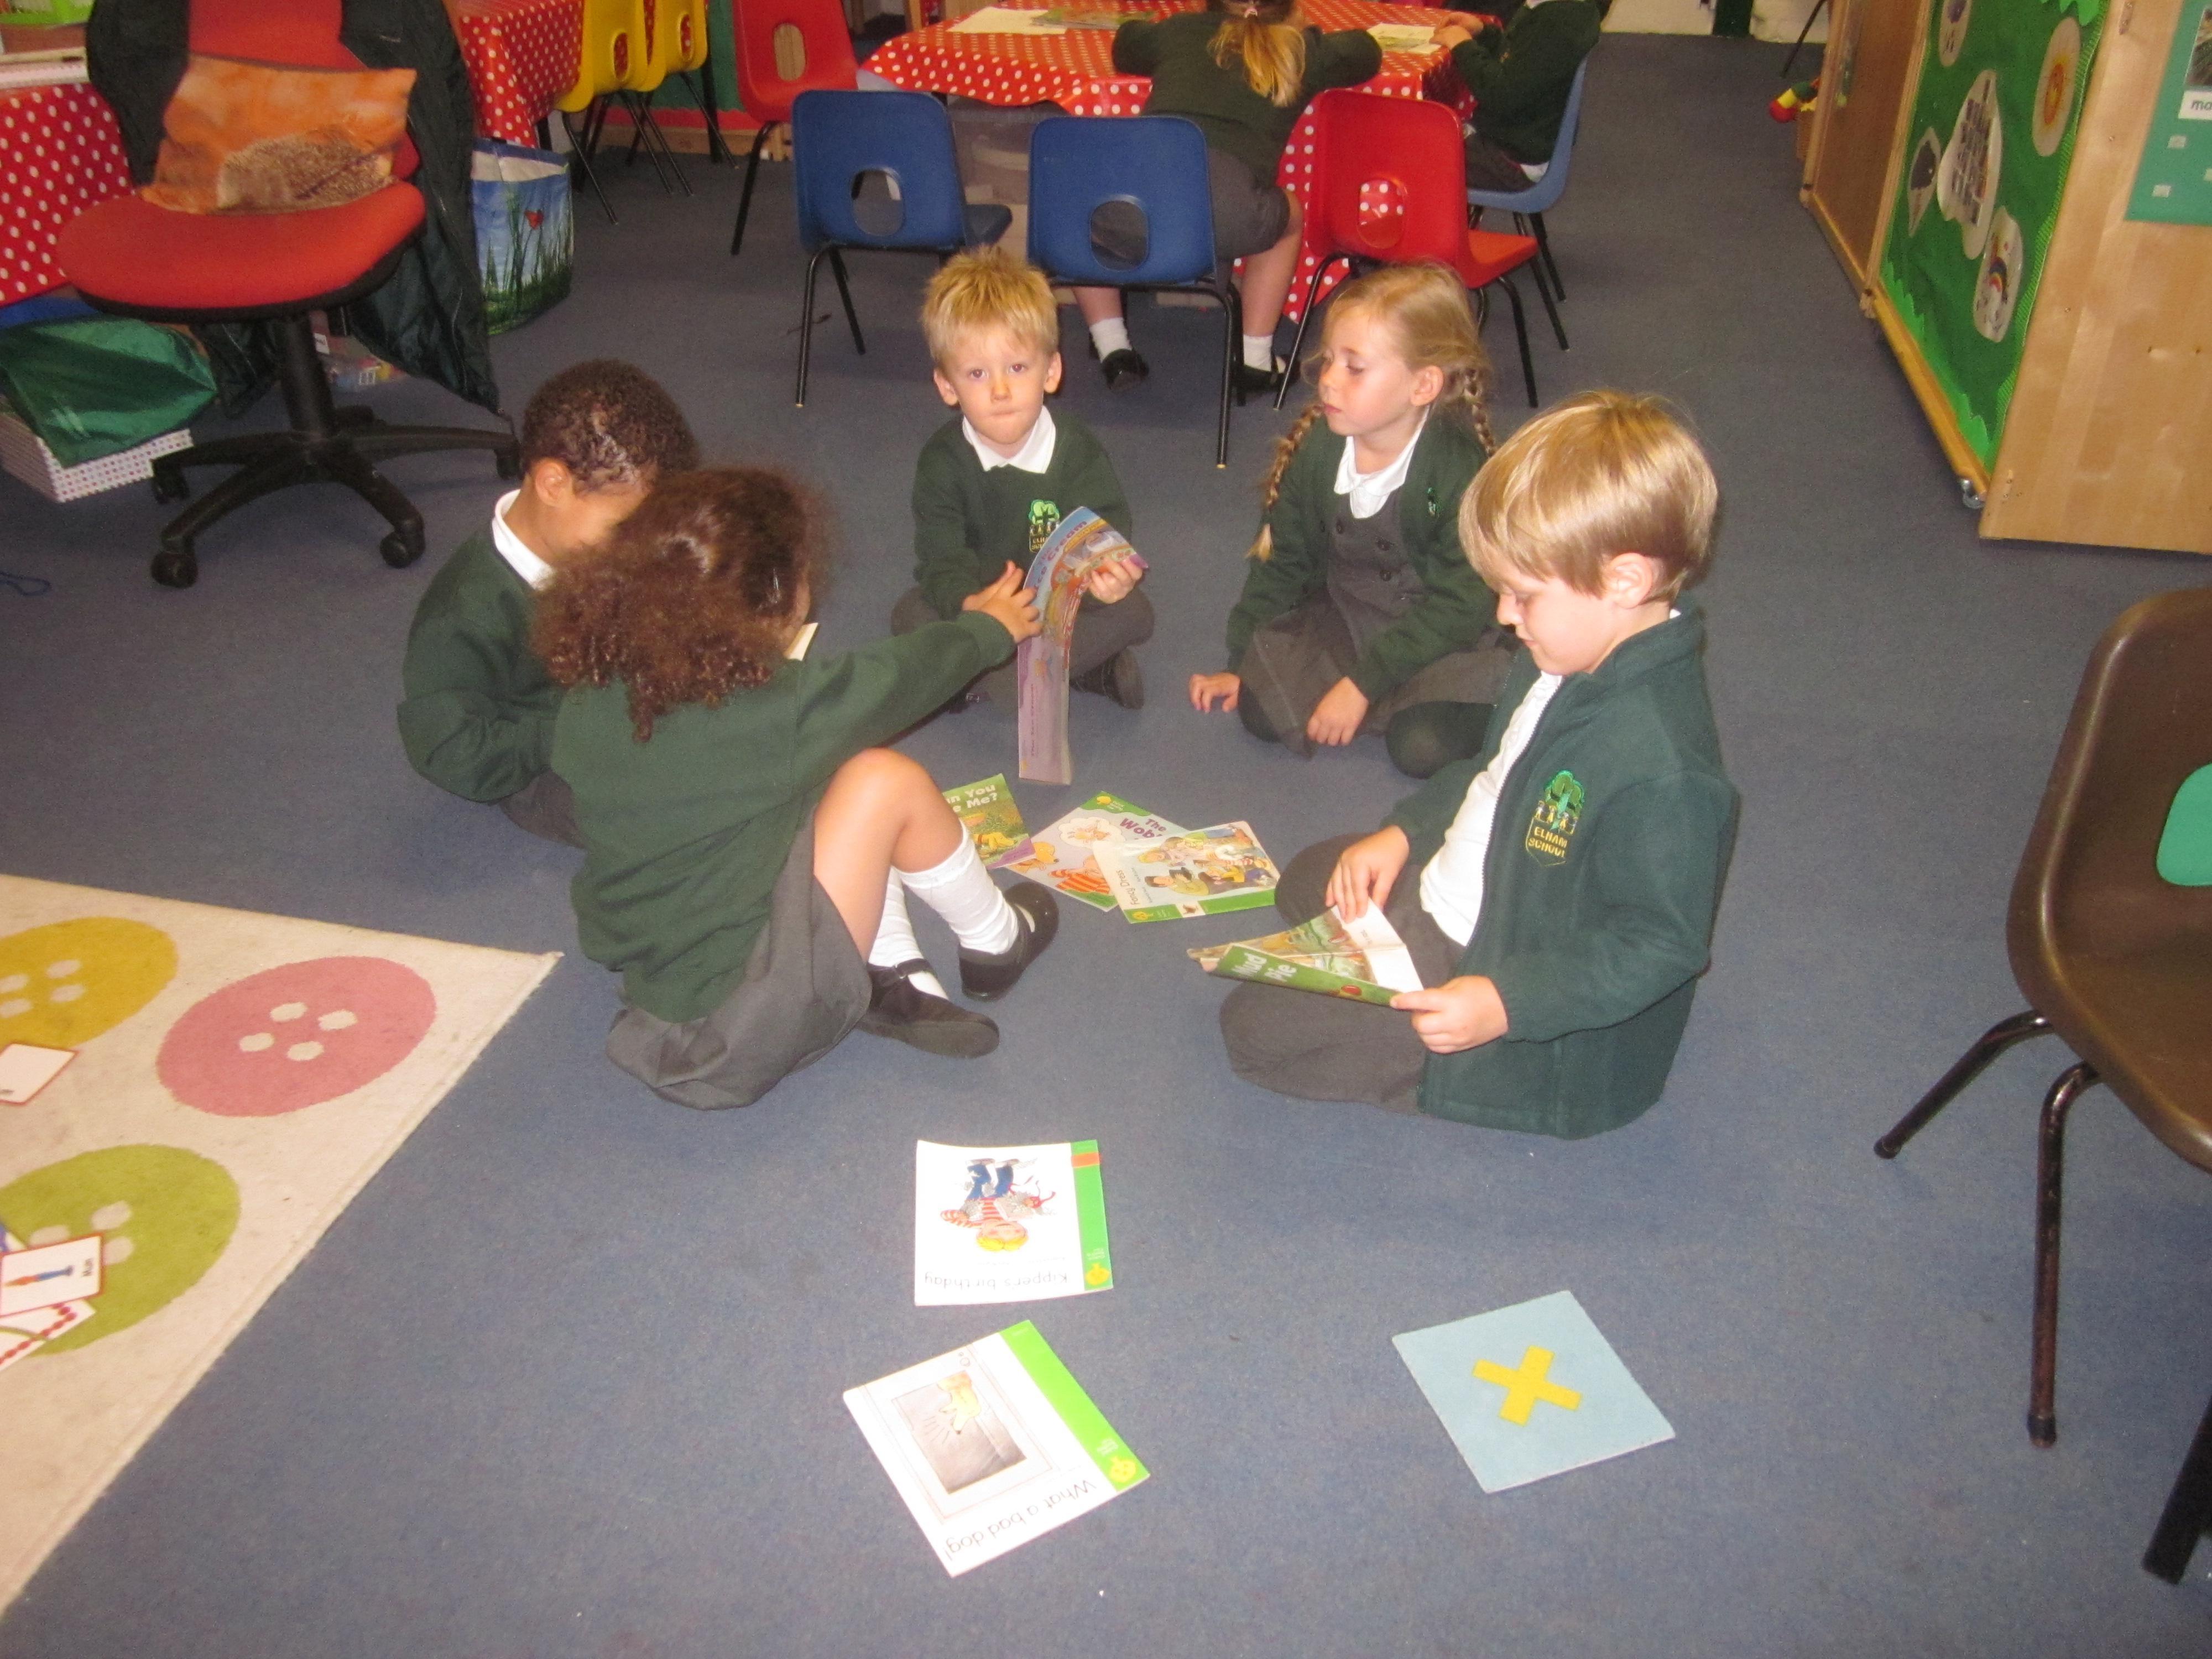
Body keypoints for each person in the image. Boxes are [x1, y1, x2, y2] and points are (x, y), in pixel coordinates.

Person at [1218, 390, 1738, 1140]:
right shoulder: (1562, 655)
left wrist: (1501, 1004)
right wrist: (1404, 833)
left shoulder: (1664, 769)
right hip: (1478, 886)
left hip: (1493, 958)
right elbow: (1492, 775)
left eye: (1522, 595)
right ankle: (1401, 955)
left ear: (1625, 580)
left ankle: (1460, 1071)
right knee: (1307, 878)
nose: (1502, 615)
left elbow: (1659, 945)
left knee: (1251, 1035)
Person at [538, 467, 1060, 1111]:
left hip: (660, 982)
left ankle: (886, 967)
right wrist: (987, 631)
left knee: (817, 775)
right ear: (778, 599)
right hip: (741, 1024)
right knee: (883, 780)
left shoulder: (598, 691)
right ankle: (997, 941)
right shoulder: (774, 716)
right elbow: (896, 678)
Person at [1188, 262, 1513, 779]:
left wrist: (1362, 684)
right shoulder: (1319, 452)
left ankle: (1493, 697)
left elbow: (1461, 604)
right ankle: (1374, 696)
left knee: (1422, 749)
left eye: (1355, 368)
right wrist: (1240, 660)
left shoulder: (1453, 471)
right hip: (1348, 617)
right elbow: (1282, 564)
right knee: (1261, 711)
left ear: (1423, 385)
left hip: (1441, 633)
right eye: (1329, 360)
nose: (1329, 381)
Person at [397, 359, 698, 847]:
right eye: (624, 529)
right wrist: (577, 728)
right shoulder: (464, 612)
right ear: (554, 484)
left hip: (609, 700)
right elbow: (449, 751)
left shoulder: (588, 549)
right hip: (541, 759)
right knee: (666, 809)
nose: (636, 548)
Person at [1072, 0, 1383, 392]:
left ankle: (1113, 347)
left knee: (1085, 206)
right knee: (1287, 214)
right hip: (1227, 217)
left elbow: (1126, 44)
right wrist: (1305, 32)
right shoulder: (1300, 50)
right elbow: (1367, 51)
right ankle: (1255, 359)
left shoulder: (1182, 31)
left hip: (1134, 210)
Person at [894, 248, 1151, 709]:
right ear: (948, 387)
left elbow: (1105, 532)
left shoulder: (1077, 450)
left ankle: (982, 681)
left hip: (1058, 606)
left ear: (1051, 371)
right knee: (910, 614)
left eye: (1017, 368)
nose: (1000, 390)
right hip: (986, 604)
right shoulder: (941, 461)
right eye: (977, 374)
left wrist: (1108, 580)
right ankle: (1079, 673)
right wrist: (971, 606)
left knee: (1133, 611)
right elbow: (941, 557)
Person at [1434, 0, 1605, 194]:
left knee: (1412, 152)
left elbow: (1501, 95)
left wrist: (1463, 45)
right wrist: (1483, 33)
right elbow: (1519, 59)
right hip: (1514, 142)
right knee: (1424, 132)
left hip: (1511, 159)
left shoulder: (1561, 21)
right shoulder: (1558, 10)